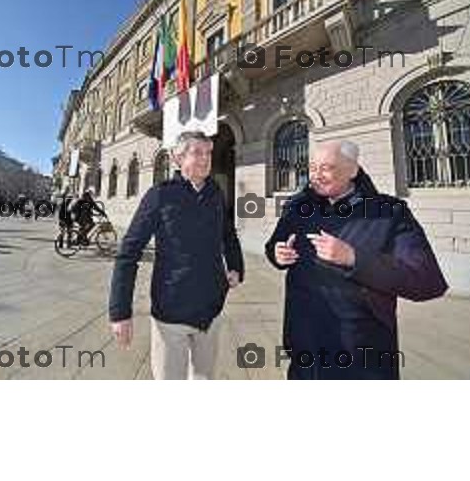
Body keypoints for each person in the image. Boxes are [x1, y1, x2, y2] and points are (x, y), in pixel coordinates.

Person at [265, 140, 449, 380]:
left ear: (352, 170)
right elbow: (273, 245)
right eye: (312, 168)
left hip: (362, 358)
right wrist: (278, 254)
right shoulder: (298, 207)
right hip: (304, 351)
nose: (316, 175)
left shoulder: (390, 212)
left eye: (327, 168)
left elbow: (428, 280)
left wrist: (354, 258)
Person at [108, 130, 244, 380]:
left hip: (211, 310)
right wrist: (120, 312)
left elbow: (229, 235)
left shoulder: (215, 193)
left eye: (209, 153)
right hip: (171, 314)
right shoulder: (160, 195)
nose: (205, 159)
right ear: (177, 158)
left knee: (204, 379)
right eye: (197, 152)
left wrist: (236, 267)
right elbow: (128, 253)